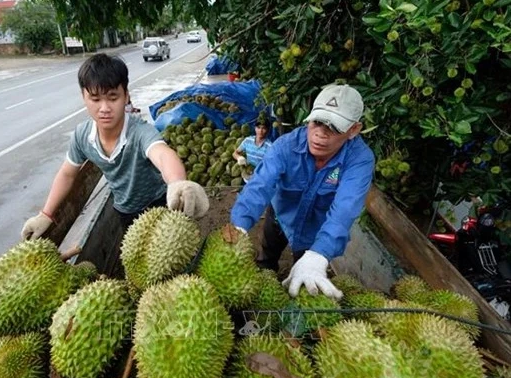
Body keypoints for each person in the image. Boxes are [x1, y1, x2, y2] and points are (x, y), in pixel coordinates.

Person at [21, 54, 209, 263]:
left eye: (112, 98)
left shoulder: (139, 132)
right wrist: (46, 214)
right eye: (95, 99)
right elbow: (66, 174)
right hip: (124, 210)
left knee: (171, 259)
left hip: (159, 203)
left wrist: (177, 184)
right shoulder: (82, 136)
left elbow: (163, 155)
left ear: (126, 96)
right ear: (83, 96)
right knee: (140, 260)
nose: (104, 108)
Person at [230, 84, 375, 300]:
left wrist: (319, 254)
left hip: (315, 232)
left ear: (353, 130)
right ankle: (262, 281)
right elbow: (259, 186)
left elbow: (345, 209)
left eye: (333, 127)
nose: (320, 134)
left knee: (305, 280)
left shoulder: (359, 160)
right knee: (266, 256)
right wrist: (238, 226)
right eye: (317, 123)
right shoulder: (285, 147)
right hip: (280, 217)